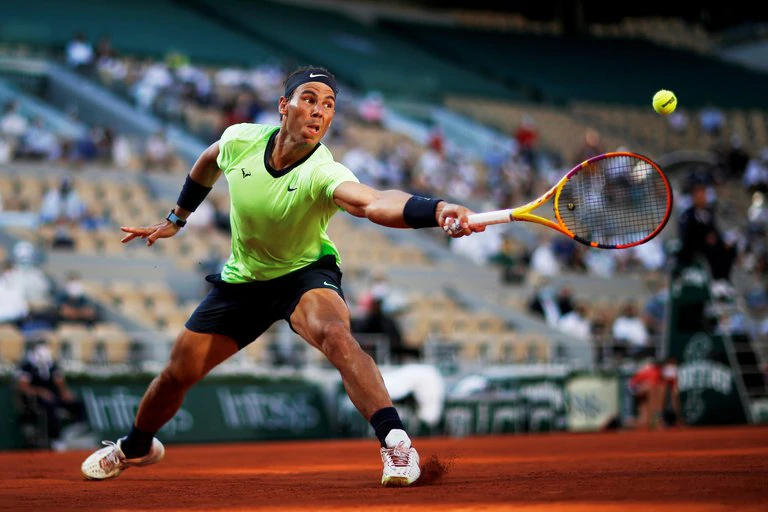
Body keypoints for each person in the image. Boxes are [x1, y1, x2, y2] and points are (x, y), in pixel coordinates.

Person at [80, 66, 483, 486]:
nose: (319, 112)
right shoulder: (240, 141)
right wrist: (177, 217)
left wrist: (435, 210)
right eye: (309, 99)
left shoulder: (322, 171)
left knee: (337, 336)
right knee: (176, 374)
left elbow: (374, 202)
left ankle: (397, 446)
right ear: (283, 105)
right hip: (244, 281)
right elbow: (207, 161)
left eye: (328, 105)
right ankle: (136, 447)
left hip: (303, 274)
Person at [15, 339, 89, 450]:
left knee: (77, 403)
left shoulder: (52, 365)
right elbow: (23, 386)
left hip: (54, 397)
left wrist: (65, 393)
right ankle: (55, 439)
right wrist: (40, 392)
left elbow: (58, 381)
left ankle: (76, 432)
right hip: (36, 400)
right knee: (50, 407)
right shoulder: (27, 366)